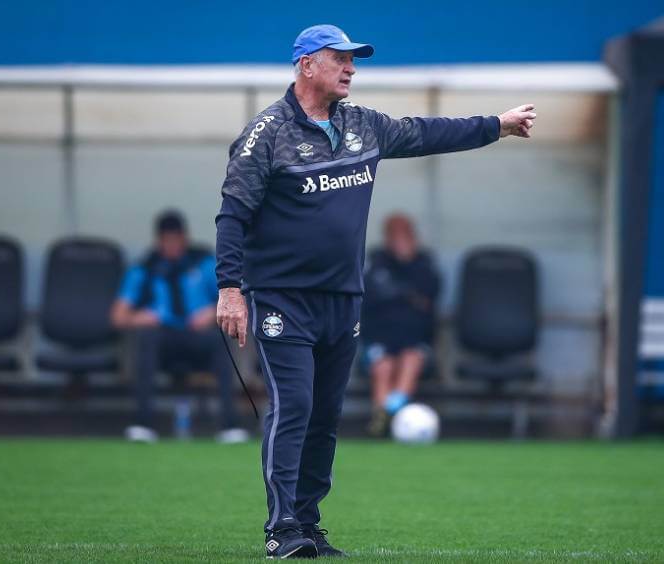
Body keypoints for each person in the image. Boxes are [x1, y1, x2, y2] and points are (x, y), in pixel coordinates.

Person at [214, 24, 536, 558]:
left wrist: (495, 125)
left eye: (353, 60)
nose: (352, 68)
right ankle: (282, 527)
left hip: (343, 299)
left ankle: (310, 525)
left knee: (325, 417)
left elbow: (428, 132)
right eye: (340, 58)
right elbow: (233, 215)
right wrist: (230, 289)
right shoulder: (265, 133)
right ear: (306, 65)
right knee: (293, 407)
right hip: (282, 298)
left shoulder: (364, 124)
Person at [111, 210, 248, 444]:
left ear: (185, 238)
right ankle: (143, 424)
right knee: (146, 339)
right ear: (159, 240)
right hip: (162, 340)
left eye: (177, 239)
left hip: (198, 336)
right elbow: (118, 316)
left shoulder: (203, 262)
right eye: (167, 240)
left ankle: (229, 426)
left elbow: (236, 297)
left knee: (221, 342)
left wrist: (212, 311)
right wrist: (139, 318)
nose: (173, 245)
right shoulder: (145, 269)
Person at [362, 214, 440, 437]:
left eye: (404, 235)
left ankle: (390, 413)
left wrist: (398, 288)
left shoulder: (425, 264)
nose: (399, 241)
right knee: (383, 366)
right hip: (379, 339)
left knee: (411, 360)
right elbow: (372, 296)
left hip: (415, 340)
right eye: (394, 235)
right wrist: (407, 295)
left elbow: (430, 295)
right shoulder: (375, 262)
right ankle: (382, 424)